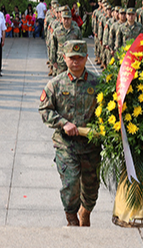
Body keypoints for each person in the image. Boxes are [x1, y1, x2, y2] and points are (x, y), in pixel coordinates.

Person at [39, 40, 101, 227]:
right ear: (64, 58)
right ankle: (72, 218)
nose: (76, 62)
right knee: (71, 182)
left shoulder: (97, 83)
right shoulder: (55, 84)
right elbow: (44, 109)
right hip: (66, 144)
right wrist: (63, 123)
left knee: (91, 188)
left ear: (86, 58)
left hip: (90, 144)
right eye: (72, 58)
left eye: (80, 58)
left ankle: (86, 211)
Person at [49, 8, 82, 75]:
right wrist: (53, 61)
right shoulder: (57, 31)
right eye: (64, 19)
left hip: (73, 61)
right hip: (61, 62)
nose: (66, 21)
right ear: (61, 19)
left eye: (68, 19)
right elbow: (53, 46)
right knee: (61, 82)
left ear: (71, 19)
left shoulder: (76, 30)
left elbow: (81, 46)